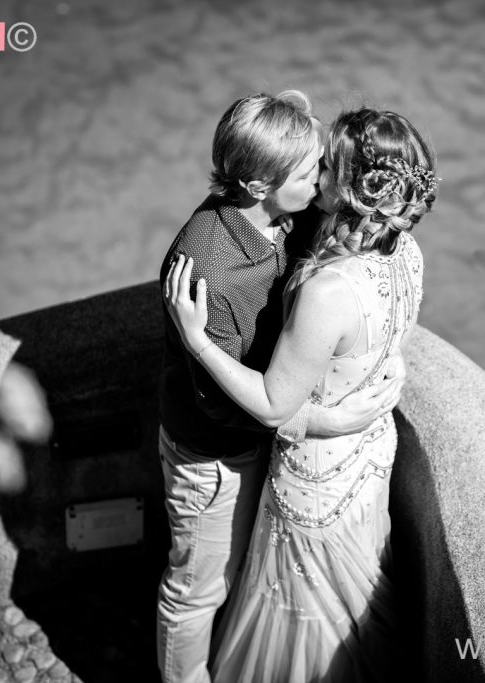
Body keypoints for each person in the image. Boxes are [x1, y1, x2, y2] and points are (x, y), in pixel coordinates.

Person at [164, 107, 438, 681]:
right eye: (309, 169)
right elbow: (247, 404)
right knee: (204, 593)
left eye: (323, 166)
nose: (317, 180)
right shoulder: (407, 252)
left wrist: (202, 344)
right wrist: (341, 412)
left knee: (299, 614)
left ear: (349, 186)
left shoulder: (323, 269)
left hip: (316, 477)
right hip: (310, 455)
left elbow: (277, 399)